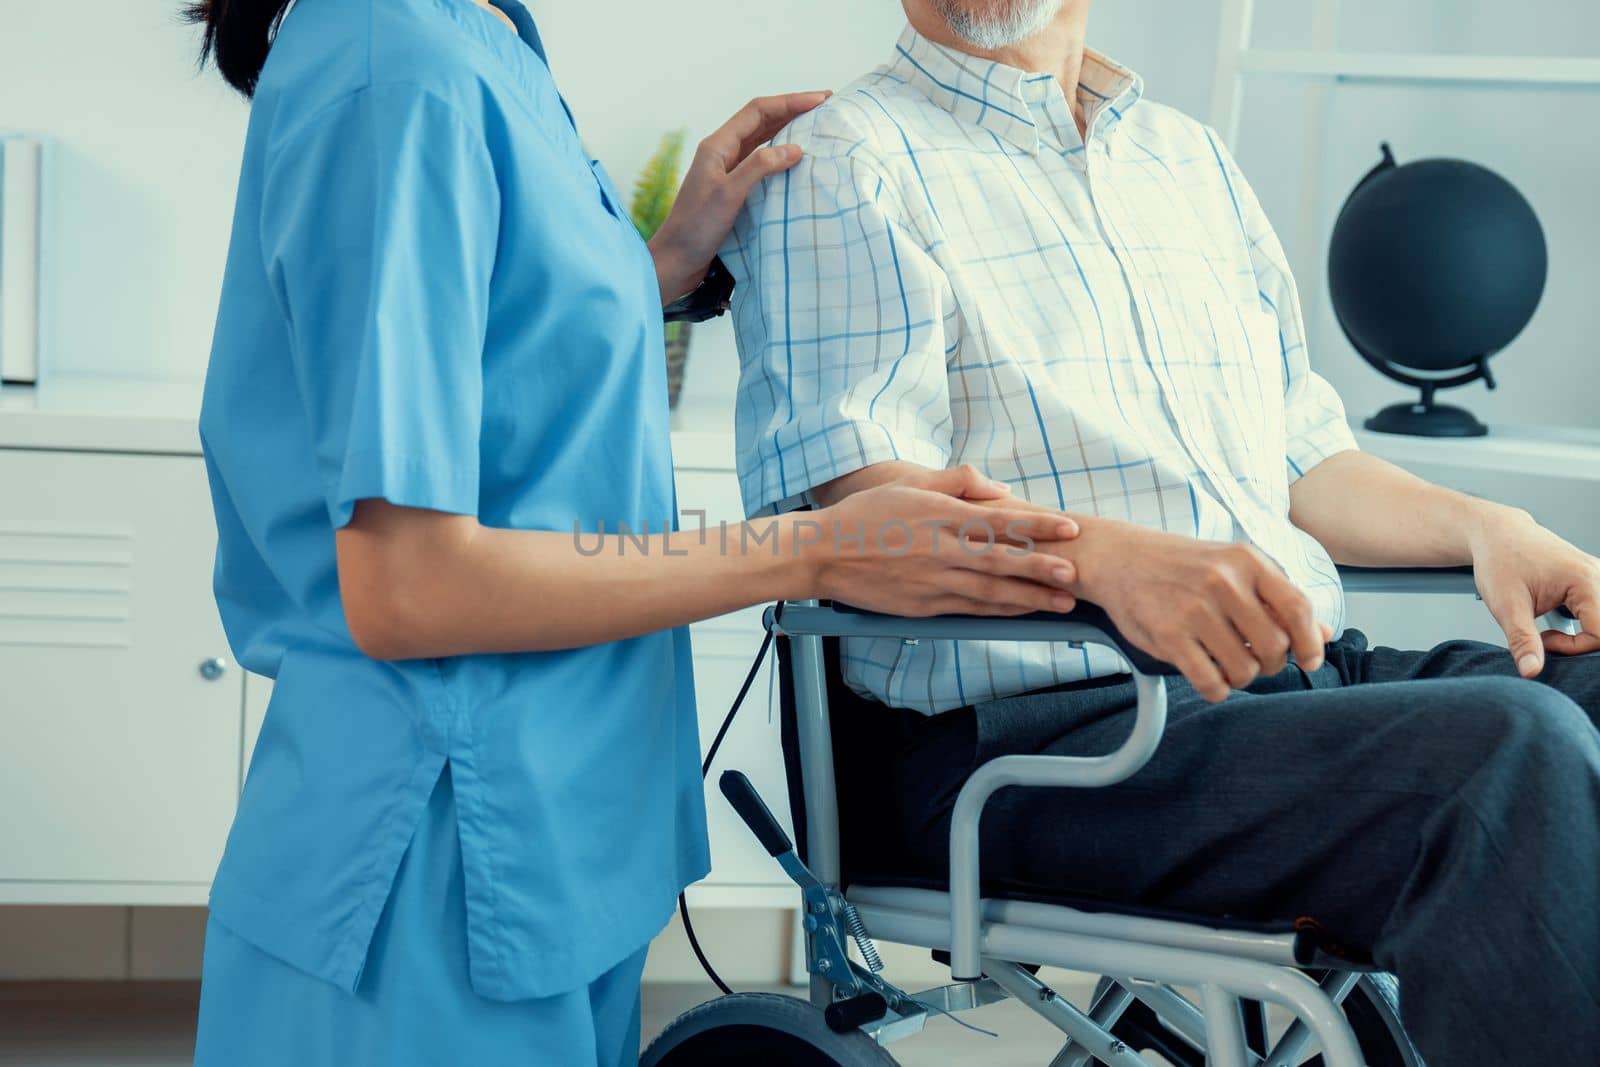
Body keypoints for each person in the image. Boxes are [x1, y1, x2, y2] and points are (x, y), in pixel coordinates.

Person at [181, 0, 1085, 1064]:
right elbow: (411, 587)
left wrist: (646, 269)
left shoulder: (481, 29)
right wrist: (814, 548)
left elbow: (493, 354)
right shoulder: (401, 68)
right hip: (437, 854)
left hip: (557, 831)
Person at [724, 0, 1600, 1061]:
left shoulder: (1191, 161)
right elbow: (864, 506)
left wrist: (1486, 525)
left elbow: (1301, 461)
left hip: (1280, 691)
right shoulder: (841, 158)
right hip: (1035, 744)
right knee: (1508, 752)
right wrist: (1099, 561)